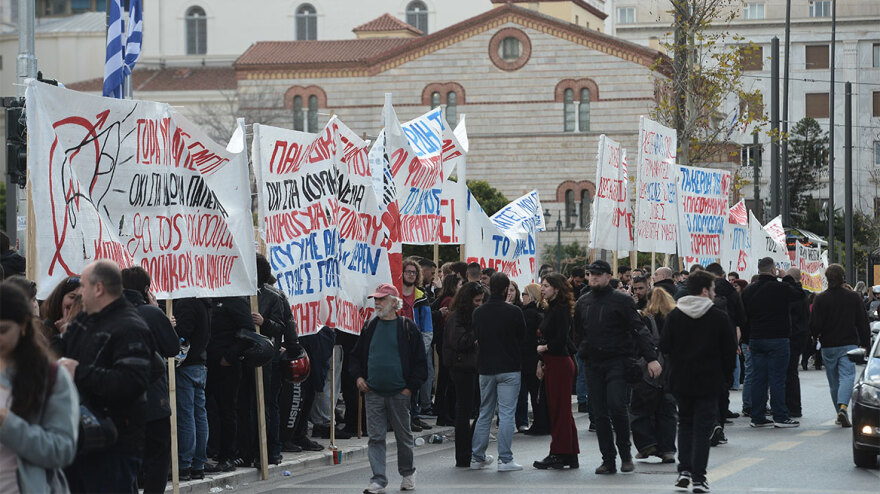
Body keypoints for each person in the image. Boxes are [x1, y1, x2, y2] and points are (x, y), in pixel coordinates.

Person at [56, 260, 153, 493]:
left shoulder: (130, 327)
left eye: (83, 285)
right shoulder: (84, 320)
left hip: (114, 445)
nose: (80, 292)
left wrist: (78, 372)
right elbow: (60, 353)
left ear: (98, 288)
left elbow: (131, 381)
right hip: (80, 439)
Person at [575, 260, 661, 475]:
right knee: (600, 414)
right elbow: (577, 332)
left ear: (607, 276)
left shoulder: (621, 300)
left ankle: (625, 454)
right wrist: (583, 351)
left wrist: (651, 358)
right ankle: (608, 459)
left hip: (617, 362)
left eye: (598, 274)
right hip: (593, 363)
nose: (593, 277)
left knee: (616, 406)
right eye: (591, 274)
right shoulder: (583, 302)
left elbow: (638, 329)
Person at [660, 271, 736, 494]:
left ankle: (683, 470)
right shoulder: (718, 316)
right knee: (703, 429)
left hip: (682, 379)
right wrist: (726, 377)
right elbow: (729, 351)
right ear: (704, 291)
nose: (714, 293)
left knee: (684, 424)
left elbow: (664, 346)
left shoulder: (674, 315)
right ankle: (699, 477)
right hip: (709, 380)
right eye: (712, 289)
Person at [0, 282, 79, 493]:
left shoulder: (50, 377)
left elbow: (62, 449)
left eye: (3, 330)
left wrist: (7, 424)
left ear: (24, 325)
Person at [350, 283, 427, 494]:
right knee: (375, 438)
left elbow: (421, 362)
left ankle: (408, 472)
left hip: (399, 393)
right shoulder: (369, 327)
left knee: (403, 437)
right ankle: (378, 480)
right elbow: (356, 357)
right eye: (375, 299)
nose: (377, 302)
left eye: (381, 299)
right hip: (373, 392)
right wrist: (358, 377)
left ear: (394, 303)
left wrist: (410, 388)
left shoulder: (407, 327)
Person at [120, 267, 179, 493]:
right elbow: (172, 347)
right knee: (157, 455)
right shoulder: (151, 314)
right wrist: (159, 314)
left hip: (119, 397)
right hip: (153, 398)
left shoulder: (107, 312)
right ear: (146, 289)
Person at [740, 257, 805, 428]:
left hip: (756, 339)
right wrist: (788, 278)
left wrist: (747, 339)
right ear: (773, 270)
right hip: (778, 338)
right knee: (777, 378)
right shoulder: (781, 288)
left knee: (758, 379)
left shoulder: (748, 291)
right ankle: (780, 416)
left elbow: (744, 318)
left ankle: (757, 416)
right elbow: (800, 294)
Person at [470, 272, 525, 472]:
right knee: (507, 413)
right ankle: (505, 459)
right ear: (505, 290)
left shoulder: (479, 312)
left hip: (485, 367)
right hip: (509, 366)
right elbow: (522, 336)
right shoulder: (514, 312)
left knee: (485, 412)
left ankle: (477, 456)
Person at [809, 264, 871, 428]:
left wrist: (814, 338)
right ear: (843, 277)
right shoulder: (853, 297)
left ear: (827, 278)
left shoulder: (820, 298)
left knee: (833, 381)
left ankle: (839, 411)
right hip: (849, 343)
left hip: (828, 345)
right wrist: (866, 344)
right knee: (847, 376)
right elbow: (862, 323)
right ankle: (843, 407)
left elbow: (815, 324)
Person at [533, 273, 579, 470]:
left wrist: (544, 349)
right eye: (542, 286)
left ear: (557, 289)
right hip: (553, 363)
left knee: (559, 411)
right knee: (561, 411)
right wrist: (541, 360)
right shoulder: (553, 308)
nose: (542, 289)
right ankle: (569, 453)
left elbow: (559, 341)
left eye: (546, 286)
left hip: (560, 363)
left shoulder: (559, 310)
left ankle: (558, 453)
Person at [204, 296, 254, 472]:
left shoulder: (235, 302)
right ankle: (202, 455)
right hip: (204, 363)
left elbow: (248, 332)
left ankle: (227, 456)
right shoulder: (204, 298)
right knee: (200, 411)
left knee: (227, 410)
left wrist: (230, 356)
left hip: (226, 366)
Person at [630, 288, 677, 463]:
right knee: (667, 410)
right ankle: (667, 449)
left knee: (639, 408)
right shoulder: (675, 317)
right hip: (669, 368)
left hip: (647, 368)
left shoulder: (644, 318)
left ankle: (646, 444)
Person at [704, 263, 746, 446]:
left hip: (702, 349)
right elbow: (741, 319)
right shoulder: (731, 293)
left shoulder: (694, 295)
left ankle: (710, 424)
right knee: (722, 387)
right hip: (725, 345)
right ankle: (718, 424)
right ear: (722, 275)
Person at [442, 282, 484, 467]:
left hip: (474, 367)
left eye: (482, 300)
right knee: (464, 410)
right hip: (462, 368)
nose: (480, 304)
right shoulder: (456, 318)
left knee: (481, 409)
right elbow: (460, 342)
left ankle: (472, 450)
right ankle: (463, 454)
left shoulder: (470, 316)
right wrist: (477, 332)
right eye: (477, 301)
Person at [172, 295, 213, 480]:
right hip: (199, 364)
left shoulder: (187, 303)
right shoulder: (204, 303)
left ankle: (184, 464)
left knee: (186, 415)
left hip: (186, 366)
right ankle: (198, 463)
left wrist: (172, 328)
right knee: (199, 414)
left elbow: (182, 334)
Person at [401, 258, 434, 431]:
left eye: (414, 272)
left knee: (414, 382)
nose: (411, 275)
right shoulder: (394, 294)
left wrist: (423, 348)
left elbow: (427, 326)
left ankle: (414, 415)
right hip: (397, 345)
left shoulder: (421, 296)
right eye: (408, 272)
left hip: (415, 345)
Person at [517, 283, 547, 435]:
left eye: (524, 293)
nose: (522, 296)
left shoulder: (527, 313)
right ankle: (543, 422)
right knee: (539, 392)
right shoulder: (542, 312)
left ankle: (540, 423)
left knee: (534, 392)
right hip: (537, 356)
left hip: (528, 357)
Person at [432, 274, 460, 427]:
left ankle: (445, 413)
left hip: (445, 344)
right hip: (447, 345)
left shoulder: (447, 299)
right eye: (460, 285)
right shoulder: (449, 301)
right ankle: (444, 414)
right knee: (446, 381)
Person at [785, 268, 811, 419]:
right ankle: (794, 406)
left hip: (792, 336)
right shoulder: (803, 296)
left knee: (789, 373)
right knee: (792, 372)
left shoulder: (795, 296)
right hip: (800, 336)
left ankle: (793, 407)